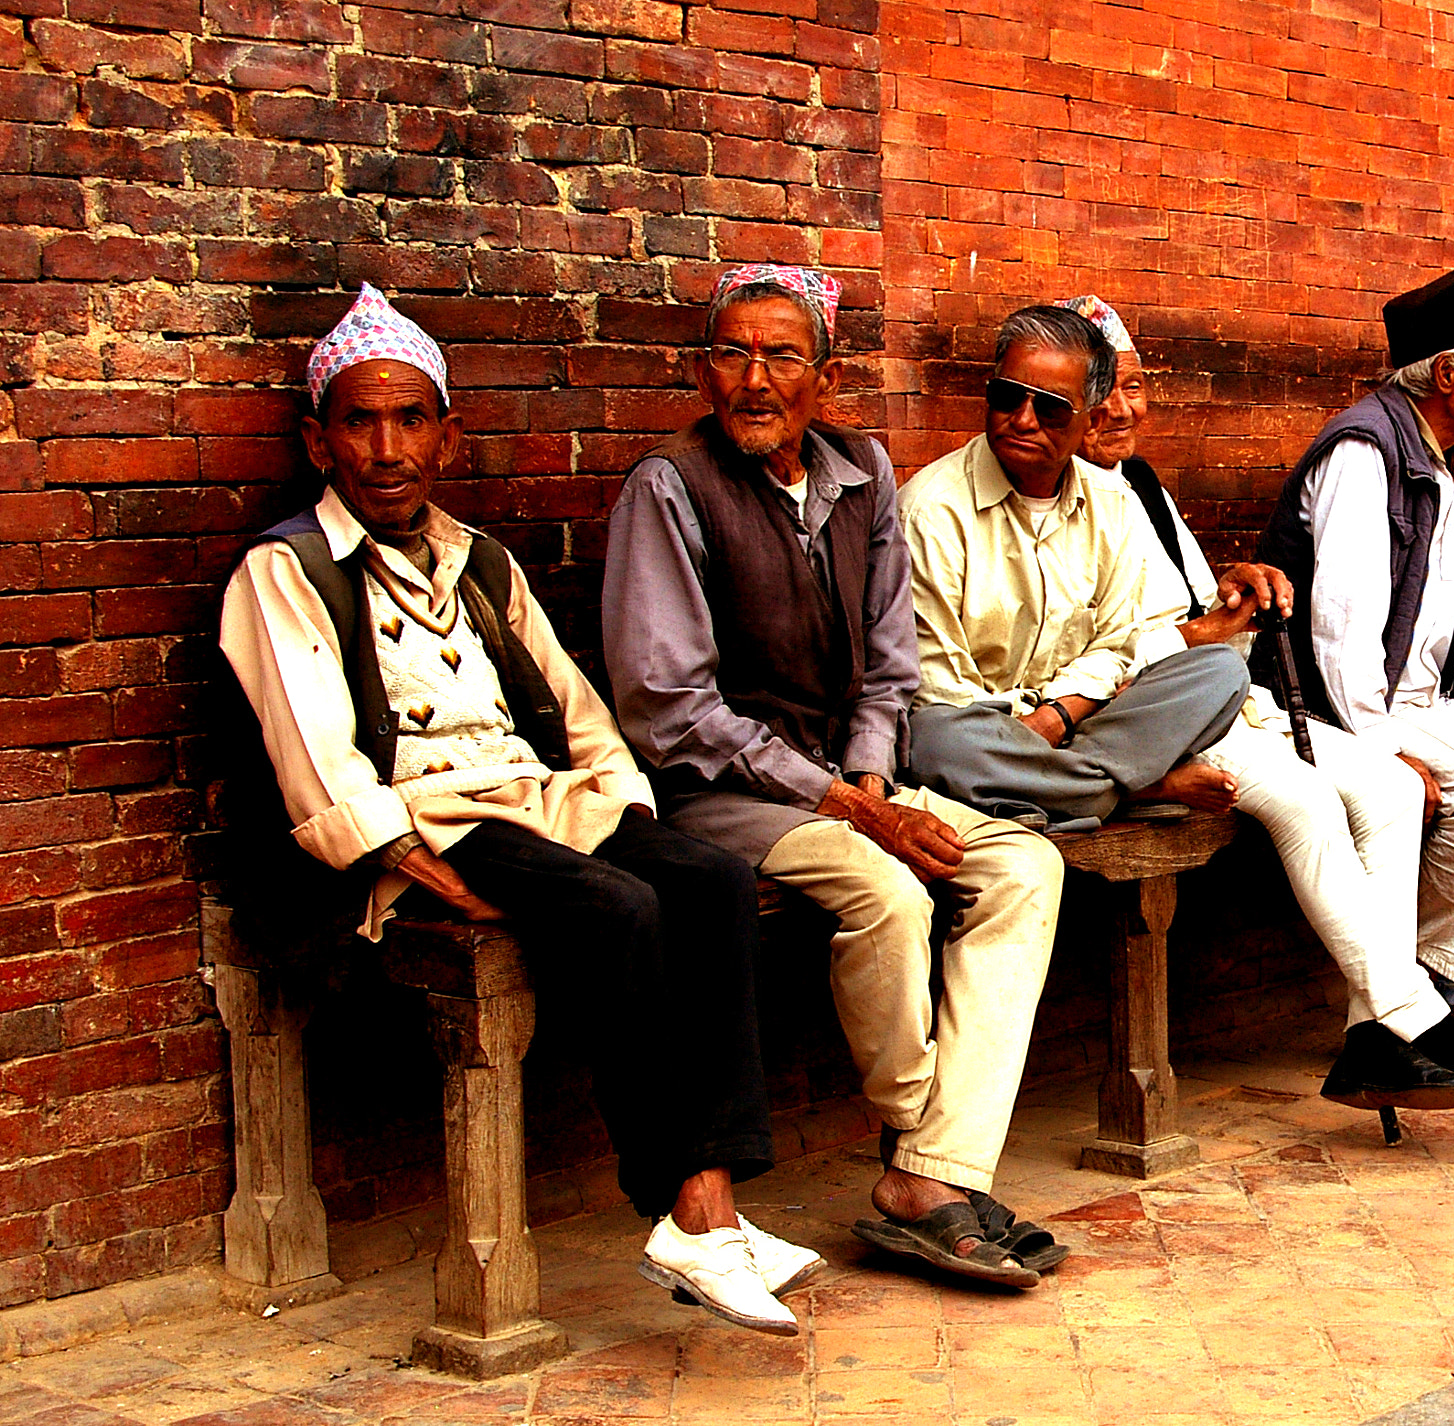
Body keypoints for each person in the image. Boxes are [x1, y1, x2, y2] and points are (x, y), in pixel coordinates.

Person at [220, 285, 811, 1337]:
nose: (386, 446)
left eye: (410, 420)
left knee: (711, 877)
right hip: (424, 827)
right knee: (617, 908)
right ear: (320, 440)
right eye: (359, 421)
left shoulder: (478, 557)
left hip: (538, 805)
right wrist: (442, 881)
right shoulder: (287, 568)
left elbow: (580, 715)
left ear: (448, 435)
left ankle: (716, 1201)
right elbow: (320, 768)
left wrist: (624, 809)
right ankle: (689, 1206)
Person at [602, 265, 1068, 1290]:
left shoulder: (861, 471)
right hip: (716, 797)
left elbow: (888, 666)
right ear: (703, 368)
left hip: (843, 782)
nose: (753, 381)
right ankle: (925, 1145)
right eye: (732, 354)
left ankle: (925, 1174)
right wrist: (849, 810)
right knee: (886, 889)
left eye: (780, 356)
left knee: (1025, 865)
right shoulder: (669, 486)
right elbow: (667, 707)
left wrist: (867, 781)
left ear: (825, 373)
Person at [1060, 292, 1454, 1113]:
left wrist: (1232, 596)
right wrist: (1205, 637)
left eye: (1133, 385)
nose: (1121, 409)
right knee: (1312, 798)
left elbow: (1187, 619)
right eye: (1099, 391)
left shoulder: (1139, 485)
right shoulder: (1060, 503)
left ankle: (1381, 1040)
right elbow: (1102, 658)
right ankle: (1412, 1022)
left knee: (1392, 788)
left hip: (1225, 702)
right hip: (1152, 720)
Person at [1252, 267, 1454, 1106]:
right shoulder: (1365, 450)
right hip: (1330, 703)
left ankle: (1420, 988)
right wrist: (1383, 751)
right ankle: (1416, 1012)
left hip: (1422, 697)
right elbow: (1340, 632)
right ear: (1446, 376)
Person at [896, 304, 1250, 832]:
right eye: (1006, 397)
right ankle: (1136, 788)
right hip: (979, 730)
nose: (1022, 420)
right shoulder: (931, 511)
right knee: (934, 739)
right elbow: (938, 689)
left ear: (1091, 416)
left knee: (1220, 674)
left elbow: (1119, 642)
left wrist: (1061, 715)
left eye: (1052, 408)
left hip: (1082, 721)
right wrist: (1029, 727)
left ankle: (1054, 792)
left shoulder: (1115, 501)